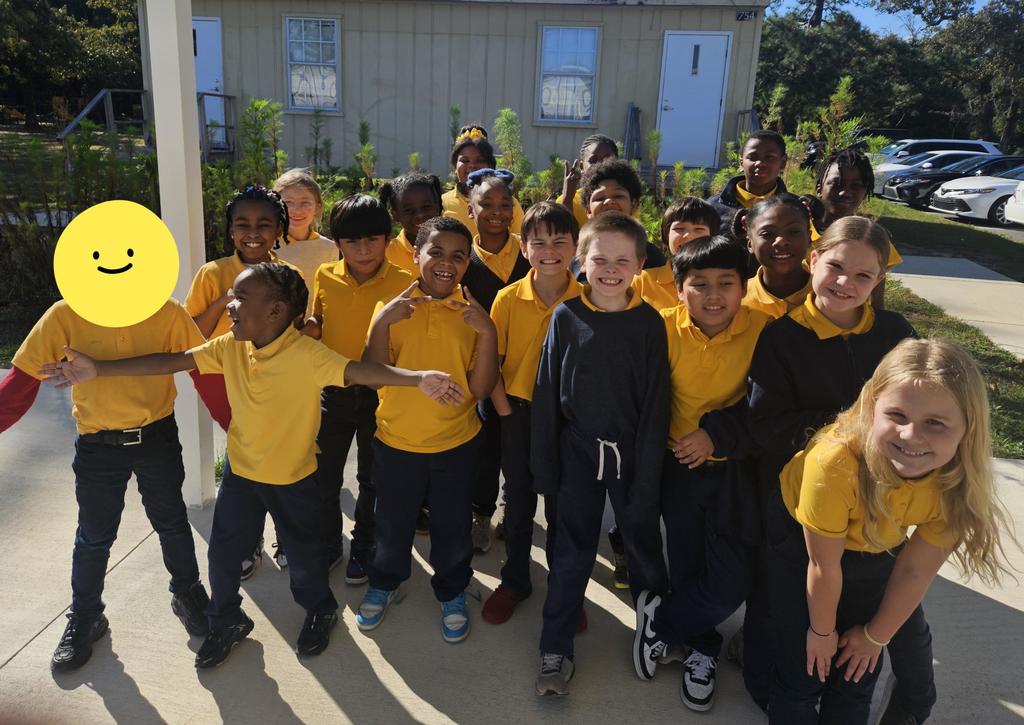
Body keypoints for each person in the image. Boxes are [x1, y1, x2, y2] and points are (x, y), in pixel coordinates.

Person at [42, 262, 462, 668]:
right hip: (241, 478)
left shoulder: (308, 354)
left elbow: (362, 372)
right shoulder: (231, 346)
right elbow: (171, 361)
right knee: (222, 559)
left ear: (276, 310)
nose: (230, 306)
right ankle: (226, 620)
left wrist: (416, 377)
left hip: (294, 481)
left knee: (304, 560)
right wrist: (99, 369)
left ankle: (320, 609)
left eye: (240, 298)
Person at [767, 338, 1015, 724]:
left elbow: (915, 570)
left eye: (935, 423)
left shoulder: (956, 484)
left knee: (856, 672)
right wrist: (821, 631)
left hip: (877, 542)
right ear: (871, 407)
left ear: (968, 428)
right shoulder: (833, 464)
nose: (911, 435)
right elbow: (822, 565)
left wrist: (873, 636)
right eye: (897, 415)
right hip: (804, 540)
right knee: (804, 668)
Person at [742, 216, 917, 712]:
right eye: (836, 266)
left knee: (857, 625)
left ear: (879, 280)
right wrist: (854, 430)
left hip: (876, 513)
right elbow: (766, 424)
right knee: (788, 617)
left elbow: (922, 402)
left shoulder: (895, 333)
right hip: (799, 511)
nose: (846, 283)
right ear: (813, 261)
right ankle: (771, 689)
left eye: (863, 276)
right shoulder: (780, 338)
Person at [1, 299, 211, 672]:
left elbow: (205, 366)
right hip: (99, 444)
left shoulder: (166, 311)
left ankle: (188, 593)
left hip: (156, 438)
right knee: (94, 537)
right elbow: (20, 384)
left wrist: (240, 425)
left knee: (173, 522)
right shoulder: (65, 314)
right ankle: (86, 616)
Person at [631, 236, 772, 712]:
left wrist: (717, 436)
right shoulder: (660, 329)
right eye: (699, 285)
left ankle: (662, 621)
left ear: (744, 285)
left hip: (737, 472)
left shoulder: (766, 331)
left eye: (726, 283)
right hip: (678, 470)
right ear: (677, 288)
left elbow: (772, 408)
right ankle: (702, 650)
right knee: (687, 562)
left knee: (731, 580)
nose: (713, 296)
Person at [532, 211, 669, 696]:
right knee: (571, 553)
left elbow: (656, 406)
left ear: (639, 266)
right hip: (577, 453)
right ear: (581, 263)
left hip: (632, 453)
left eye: (622, 260)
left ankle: (658, 627)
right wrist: (545, 467)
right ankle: (555, 647)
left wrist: (649, 473)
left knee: (643, 547)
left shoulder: (650, 324)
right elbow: (547, 394)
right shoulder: (566, 317)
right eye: (600, 259)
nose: (611, 268)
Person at [357, 216, 499, 644]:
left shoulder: (473, 313)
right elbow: (372, 375)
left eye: (458, 256)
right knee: (392, 523)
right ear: (415, 255)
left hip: (455, 444)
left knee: (453, 527)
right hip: (396, 442)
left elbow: (479, 389)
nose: (446, 263)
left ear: (467, 263)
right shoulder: (391, 309)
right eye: (435, 252)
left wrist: (487, 331)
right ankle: (384, 581)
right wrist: (383, 322)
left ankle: (452, 589)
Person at [184, 185, 299, 576]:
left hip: (273, 381)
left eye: (265, 224)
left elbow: (294, 332)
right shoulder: (212, 273)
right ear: (231, 230)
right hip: (219, 378)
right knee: (247, 459)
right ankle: (249, 537)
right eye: (243, 224)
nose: (254, 232)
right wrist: (224, 299)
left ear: (280, 228)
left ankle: (286, 532)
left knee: (278, 456)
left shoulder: (290, 274)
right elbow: (190, 335)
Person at [480, 201, 581, 626]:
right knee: (519, 502)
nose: (550, 250)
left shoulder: (588, 298)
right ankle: (515, 580)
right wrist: (505, 414)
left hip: (568, 420)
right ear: (525, 249)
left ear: (576, 246)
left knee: (562, 507)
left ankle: (564, 588)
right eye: (539, 242)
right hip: (517, 413)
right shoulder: (507, 298)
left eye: (560, 241)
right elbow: (493, 363)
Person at [305, 195, 414, 585]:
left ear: (388, 238)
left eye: (372, 239)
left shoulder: (406, 283)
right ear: (337, 243)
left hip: (381, 395)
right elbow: (317, 318)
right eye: (352, 241)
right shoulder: (325, 275)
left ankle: (364, 545)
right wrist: (312, 325)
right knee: (324, 476)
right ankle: (328, 542)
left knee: (373, 479)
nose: (363, 249)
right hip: (332, 390)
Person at [460, 168, 532, 553]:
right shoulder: (463, 258)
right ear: (470, 209)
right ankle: (481, 513)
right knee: (485, 447)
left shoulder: (530, 252)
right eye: (486, 204)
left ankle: (511, 506)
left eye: (506, 204)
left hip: (525, 365)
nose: (497, 211)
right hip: (481, 369)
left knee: (520, 446)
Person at [813, 147, 902, 308]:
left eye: (856, 186)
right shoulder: (799, 231)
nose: (845, 193)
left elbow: (876, 302)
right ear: (819, 188)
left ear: (866, 191)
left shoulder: (871, 239)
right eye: (836, 184)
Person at [734, 193, 815, 319]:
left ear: (809, 238)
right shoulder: (736, 300)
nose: (781, 241)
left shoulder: (829, 295)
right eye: (767, 234)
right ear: (750, 244)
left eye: (794, 232)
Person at [634, 196, 720, 310]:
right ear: (666, 234)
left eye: (698, 229)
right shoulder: (642, 281)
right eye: (679, 228)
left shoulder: (724, 282)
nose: (688, 236)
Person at [272, 168, 338, 311]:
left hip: (315, 329)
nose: (296, 210)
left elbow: (331, 294)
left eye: (305, 203)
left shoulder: (330, 248)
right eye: (288, 202)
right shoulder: (267, 246)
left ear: (317, 207)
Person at [442, 126, 525, 236]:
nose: (472, 165)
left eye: (480, 160)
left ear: (491, 166)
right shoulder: (442, 203)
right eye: (465, 160)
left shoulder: (510, 204)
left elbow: (521, 243)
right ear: (454, 167)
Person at [708, 130, 789, 234]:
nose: (760, 163)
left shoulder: (795, 208)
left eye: (769, 157)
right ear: (741, 163)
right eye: (752, 158)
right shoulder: (713, 207)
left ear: (783, 162)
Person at [380, 171, 445, 276]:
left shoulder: (455, 248)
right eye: (409, 210)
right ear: (395, 215)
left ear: (438, 206)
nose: (420, 215)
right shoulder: (384, 255)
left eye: (426, 207)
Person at [557, 133, 620, 229]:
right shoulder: (568, 200)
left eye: (608, 159)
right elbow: (564, 237)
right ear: (582, 167)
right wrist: (567, 199)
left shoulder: (623, 198)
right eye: (593, 160)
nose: (601, 165)